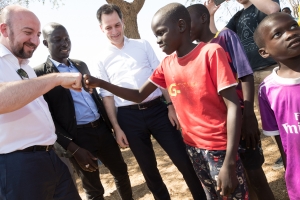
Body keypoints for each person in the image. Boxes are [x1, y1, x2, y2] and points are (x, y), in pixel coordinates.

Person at [85, 3, 249, 199]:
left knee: (223, 188)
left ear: (181, 26)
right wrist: (103, 87)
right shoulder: (164, 64)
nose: (158, 41)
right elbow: (135, 94)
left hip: (212, 144)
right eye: (108, 27)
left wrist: (230, 160)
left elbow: (232, 105)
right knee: (200, 191)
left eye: (161, 33)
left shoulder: (210, 53)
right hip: (180, 141)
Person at [92, 4, 207, 200]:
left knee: (183, 160)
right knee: (149, 171)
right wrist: (117, 128)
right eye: (108, 27)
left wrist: (170, 106)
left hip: (158, 111)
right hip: (129, 118)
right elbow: (107, 96)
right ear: (101, 29)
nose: (114, 31)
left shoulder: (142, 45)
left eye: (117, 25)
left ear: (123, 22)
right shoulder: (101, 59)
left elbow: (162, 77)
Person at [34, 23, 133, 200]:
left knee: (121, 172)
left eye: (67, 39)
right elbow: (47, 118)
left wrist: (113, 127)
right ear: (45, 43)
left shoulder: (80, 65)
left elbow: (94, 97)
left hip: (102, 130)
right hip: (78, 138)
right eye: (57, 40)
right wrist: (73, 148)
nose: (64, 43)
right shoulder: (40, 74)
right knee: (94, 189)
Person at [187, 4, 274, 200]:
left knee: (255, 175)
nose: (184, 28)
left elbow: (245, 75)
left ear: (202, 18)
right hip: (221, 128)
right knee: (242, 181)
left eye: (188, 21)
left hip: (242, 120)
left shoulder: (226, 38)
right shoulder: (198, 53)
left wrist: (249, 115)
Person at [0, 5, 82, 200]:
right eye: (28, 33)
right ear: (4, 30)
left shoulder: (25, 67)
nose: (35, 41)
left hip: (51, 158)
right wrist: (55, 79)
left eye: (37, 34)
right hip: (16, 169)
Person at [205, 0, 284, 172]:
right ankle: (284, 152)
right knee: (270, 119)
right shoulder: (237, 17)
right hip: (252, 76)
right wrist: (210, 16)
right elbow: (216, 37)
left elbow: (273, 9)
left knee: (287, 114)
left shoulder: (264, 4)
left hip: (272, 68)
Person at [253, 12, 300, 200]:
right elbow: (281, 140)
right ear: (264, 52)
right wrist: (291, 172)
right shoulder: (267, 90)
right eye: (277, 34)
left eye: (293, 26)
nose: (290, 33)